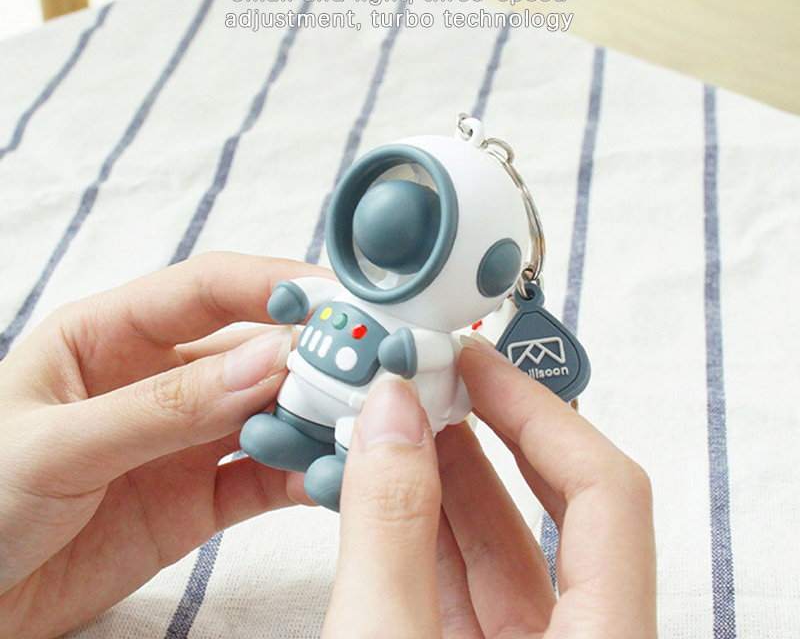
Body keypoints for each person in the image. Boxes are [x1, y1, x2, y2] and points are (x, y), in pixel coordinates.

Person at [0, 253, 657, 639]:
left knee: (343, 463)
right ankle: (297, 441)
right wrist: (295, 298)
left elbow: (434, 353)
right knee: (268, 436)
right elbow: (306, 295)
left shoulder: (436, 335)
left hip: (355, 422)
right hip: (297, 396)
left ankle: (345, 459)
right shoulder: (344, 291)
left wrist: (409, 354)